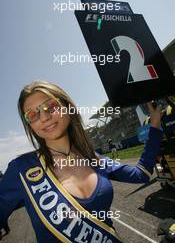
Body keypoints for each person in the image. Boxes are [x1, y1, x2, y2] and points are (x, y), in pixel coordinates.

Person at [0, 80, 163, 243]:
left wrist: (154, 126)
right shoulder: (21, 170)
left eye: (51, 106)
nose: (44, 117)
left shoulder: (94, 158)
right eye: (32, 114)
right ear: (29, 125)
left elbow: (141, 174)